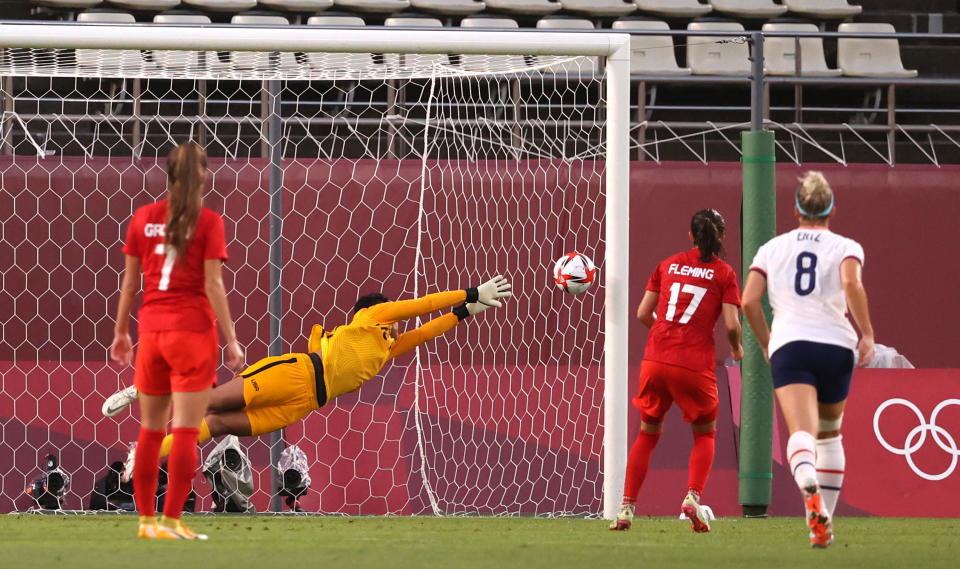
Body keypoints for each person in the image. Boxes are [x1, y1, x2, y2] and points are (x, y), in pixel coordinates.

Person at [106, 277, 512, 470]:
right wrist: (471, 293)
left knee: (214, 424)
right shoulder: (372, 317)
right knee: (211, 399)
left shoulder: (387, 349)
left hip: (305, 404)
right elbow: (420, 306)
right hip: (297, 373)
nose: (397, 327)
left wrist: (463, 314)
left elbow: (424, 332)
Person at [110, 141, 244, 540]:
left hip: (152, 333)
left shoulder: (143, 219)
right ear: (203, 177)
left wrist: (120, 332)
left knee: (150, 432)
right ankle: (172, 520)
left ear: (167, 175)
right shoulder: (208, 222)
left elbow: (131, 282)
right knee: (185, 431)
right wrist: (232, 340)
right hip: (193, 335)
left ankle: (146, 522)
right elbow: (213, 284)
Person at [741, 171, 875, 549]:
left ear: (797, 208)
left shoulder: (772, 248)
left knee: (802, 433)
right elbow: (852, 284)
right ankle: (824, 523)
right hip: (835, 345)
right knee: (831, 434)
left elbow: (749, 299)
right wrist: (867, 333)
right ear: (831, 208)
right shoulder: (846, 246)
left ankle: (806, 485)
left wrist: (767, 343)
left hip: (791, 345)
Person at [611, 209, 743, 533]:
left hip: (655, 359)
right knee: (705, 433)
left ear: (690, 235)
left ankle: (626, 509)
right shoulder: (724, 273)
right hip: (694, 365)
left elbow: (643, 312)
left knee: (647, 434)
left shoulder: (667, 264)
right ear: (722, 237)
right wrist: (738, 349)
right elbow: (731, 325)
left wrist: (666, 335)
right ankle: (692, 498)